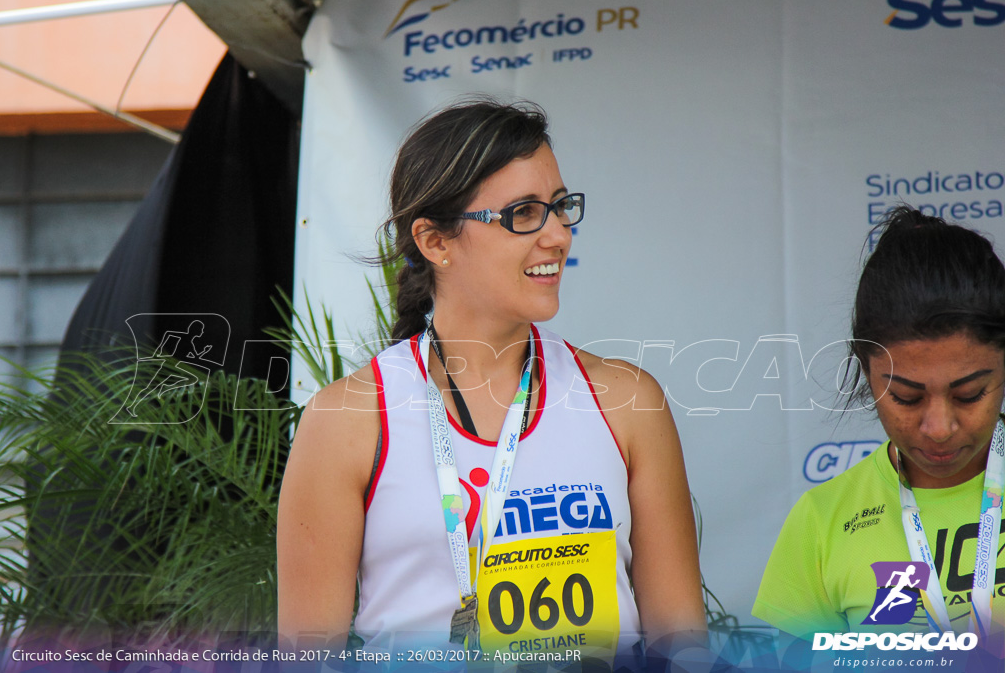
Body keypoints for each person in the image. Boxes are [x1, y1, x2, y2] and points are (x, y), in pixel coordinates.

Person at [277, 99, 706, 664]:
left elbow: (682, 646)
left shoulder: (626, 400)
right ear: (435, 242)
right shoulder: (348, 420)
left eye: (559, 207)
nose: (557, 236)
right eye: (523, 213)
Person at [753, 206, 1005, 657]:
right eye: (906, 397)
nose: (939, 428)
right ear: (865, 370)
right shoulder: (823, 521)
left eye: (969, 394)